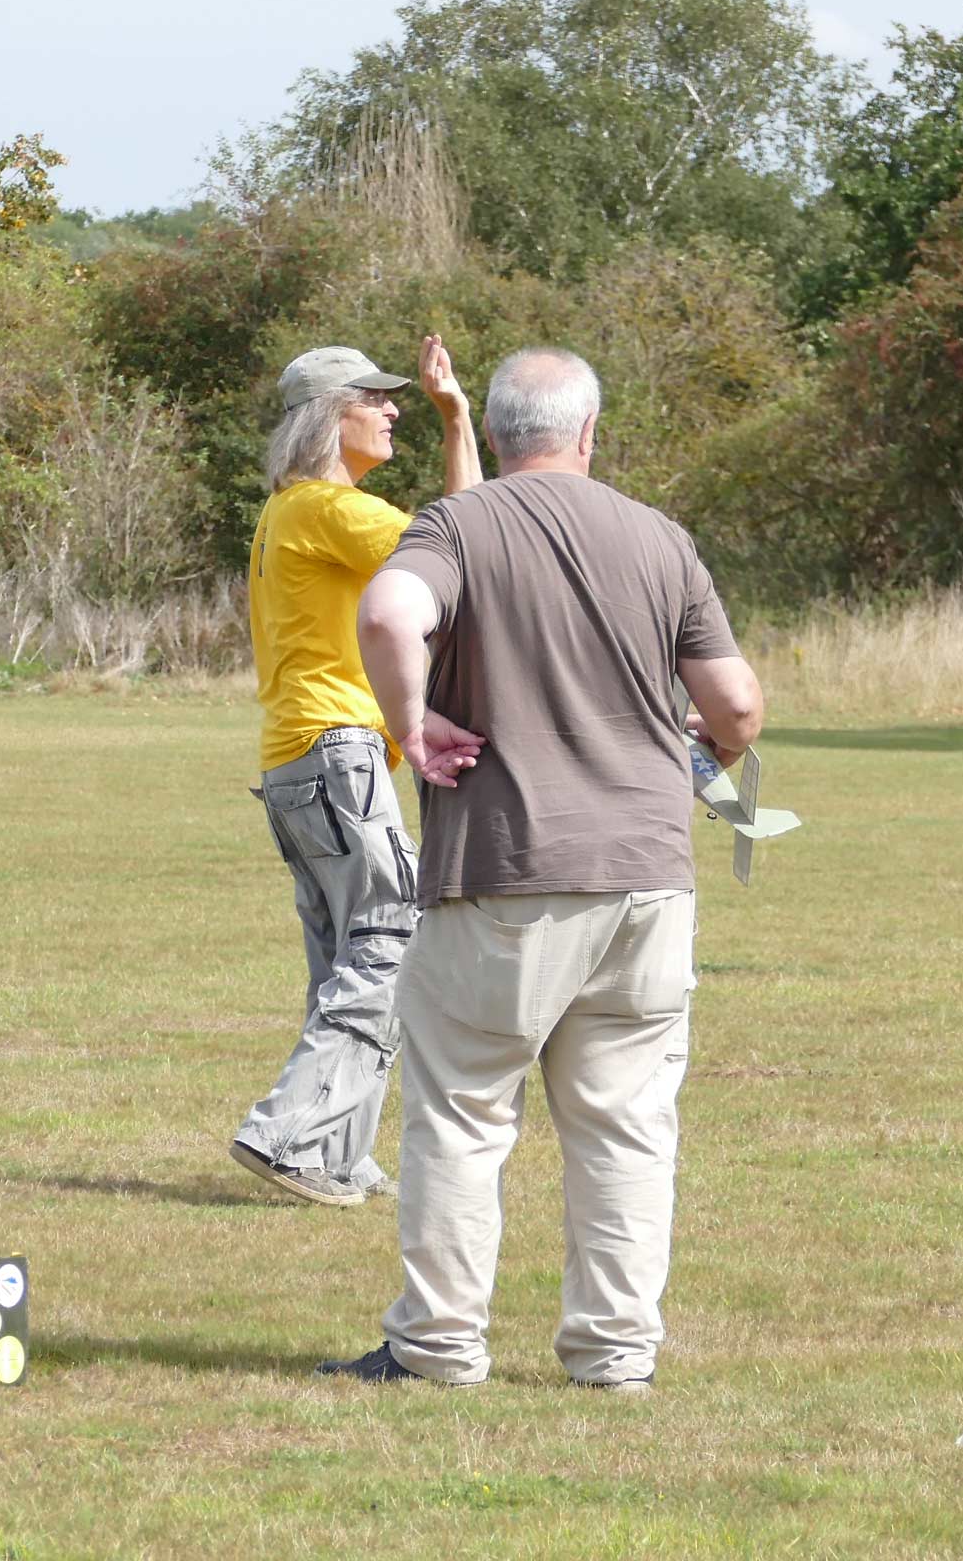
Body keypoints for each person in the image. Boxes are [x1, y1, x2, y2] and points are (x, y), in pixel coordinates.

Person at [320, 346, 764, 1388]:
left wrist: (411, 721)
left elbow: (389, 614)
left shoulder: (459, 525)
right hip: (650, 877)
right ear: (590, 433)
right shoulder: (663, 539)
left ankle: (437, 1348)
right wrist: (714, 755)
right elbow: (736, 704)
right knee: (625, 1129)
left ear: (505, 433)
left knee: (467, 1116)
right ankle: (615, 1357)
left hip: (506, 868)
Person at [229, 336, 481, 1208]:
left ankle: (336, 1152)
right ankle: (284, 1136)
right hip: (338, 754)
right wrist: (459, 420)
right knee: (390, 946)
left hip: (302, 757)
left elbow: (460, 540)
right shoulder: (327, 509)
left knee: (350, 957)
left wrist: (454, 422)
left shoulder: (291, 513)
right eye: (374, 396)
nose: (392, 407)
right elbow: (474, 546)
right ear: (330, 417)